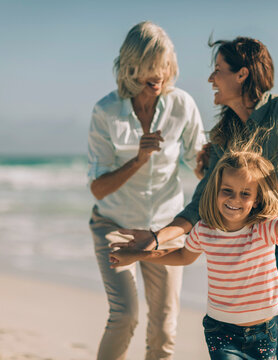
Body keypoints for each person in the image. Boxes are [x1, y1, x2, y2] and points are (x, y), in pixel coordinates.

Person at [118, 36, 278, 360]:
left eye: (218, 70)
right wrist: (157, 238)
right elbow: (199, 204)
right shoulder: (224, 137)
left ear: (241, 74)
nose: (210, 79)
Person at [110, 142, 278, 360]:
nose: (234, 199)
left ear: (257, 200)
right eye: (227, 191)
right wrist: (136, 256)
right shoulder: (204, 230)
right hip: (221, 331)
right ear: (216, 191)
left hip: (264, 333)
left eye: (245, 193)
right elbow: (182, 256)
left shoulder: (264, 229)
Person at [87, 21, 206, 360]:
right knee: (124, 316)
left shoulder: (182, 105)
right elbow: (98, 188)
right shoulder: (106, 111)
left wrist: (206, 163)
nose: (159, 76)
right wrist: (139, 160)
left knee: (165, 326)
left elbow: (196, 162)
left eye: (165, 67)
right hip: (114, 226)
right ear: (131, 65)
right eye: (151, 68)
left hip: (164, 229)